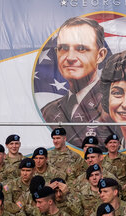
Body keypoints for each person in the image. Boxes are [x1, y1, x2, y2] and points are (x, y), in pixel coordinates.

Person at [40, 16, 112, 147]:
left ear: (100, 55)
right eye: (63, 48)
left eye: (81, 49)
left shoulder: (115, 106)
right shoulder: (47, 111)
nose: (70, 58)